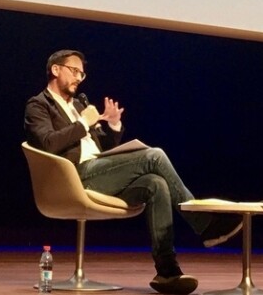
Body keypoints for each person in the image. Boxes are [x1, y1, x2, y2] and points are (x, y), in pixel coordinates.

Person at [24, 49, 242, 295]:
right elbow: (48, 143)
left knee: (156, 183)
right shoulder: (38, 104)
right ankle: (204, 224)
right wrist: (84, 123)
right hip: (74, 177)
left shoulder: (78, 104)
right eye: (74, 71)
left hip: (100, 171)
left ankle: (167, 270)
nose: (78, 78)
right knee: (154, 155)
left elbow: (103, 150)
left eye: (82, 74)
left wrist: (113, 125)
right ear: (55, 69)